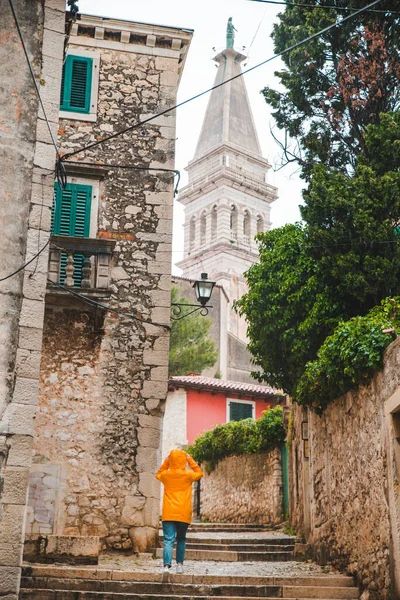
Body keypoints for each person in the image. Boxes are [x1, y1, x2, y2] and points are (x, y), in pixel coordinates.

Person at [155, 449, 203, 574]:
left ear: (171, 460)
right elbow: (199, 473)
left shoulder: (166, 475)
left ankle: (166, 566)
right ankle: (180, 565)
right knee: (181, 539)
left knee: (168, 540)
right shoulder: (188, 475)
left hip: (169, 512)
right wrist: (190, 459)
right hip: (183, 513)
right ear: (183, 460)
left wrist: (167, 460)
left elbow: (158, 473)